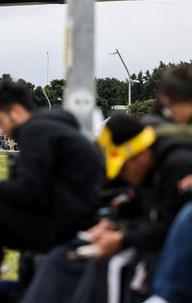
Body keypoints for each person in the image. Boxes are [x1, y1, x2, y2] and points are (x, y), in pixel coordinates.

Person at [21, 114, 192, 303]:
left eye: (123, 169)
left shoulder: (178, 166)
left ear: (141, 155)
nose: (122, 177)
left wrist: (122, 237)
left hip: (160, 254)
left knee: (110, 263)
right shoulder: (150, 167)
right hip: (147, 241)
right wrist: (114, 225)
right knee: (61, 256)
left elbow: (170, 227)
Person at [0, 80, 104, 303]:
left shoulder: (35, 130)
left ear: (16, 111)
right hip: (71, 214)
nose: (3, 131)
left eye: (1, 122)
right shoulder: (49, 127)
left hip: (69, 225)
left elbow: (29, 190)